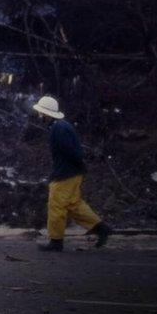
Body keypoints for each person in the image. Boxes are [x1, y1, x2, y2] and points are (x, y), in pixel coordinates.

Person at [32, 96, 111, 252]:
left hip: (65, 174)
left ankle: (55, 241)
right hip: (73, 172)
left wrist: (70, 168)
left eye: (40, 113)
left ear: (45, 114)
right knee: (73, 204)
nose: (39, 116)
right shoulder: (61, 126)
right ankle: (101, 228)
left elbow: (72, 152)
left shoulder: (58, 129)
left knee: (56, 206)